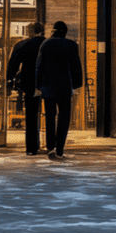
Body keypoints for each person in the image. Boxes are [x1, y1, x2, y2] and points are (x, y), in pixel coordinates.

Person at [35, 20, 84, 160]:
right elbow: (76, 66)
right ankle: (60, 148)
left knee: (50, 116)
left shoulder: (46, 44)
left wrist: (38, 85)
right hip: (64, 86)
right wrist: (76, 85)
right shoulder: (71, 45)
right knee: (64, 116)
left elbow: (39, 66)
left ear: (53, 30)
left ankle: (50, 145)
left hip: (48, 86)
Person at [4, 22, 46, 155]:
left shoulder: (22, 45)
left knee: (31, 115)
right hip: (47, 82)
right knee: (50, 114)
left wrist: (9, 80)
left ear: (30, 32)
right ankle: (51, 144)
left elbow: (13, 64)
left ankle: (32, 147)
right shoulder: (47, 44)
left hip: (29, 82)